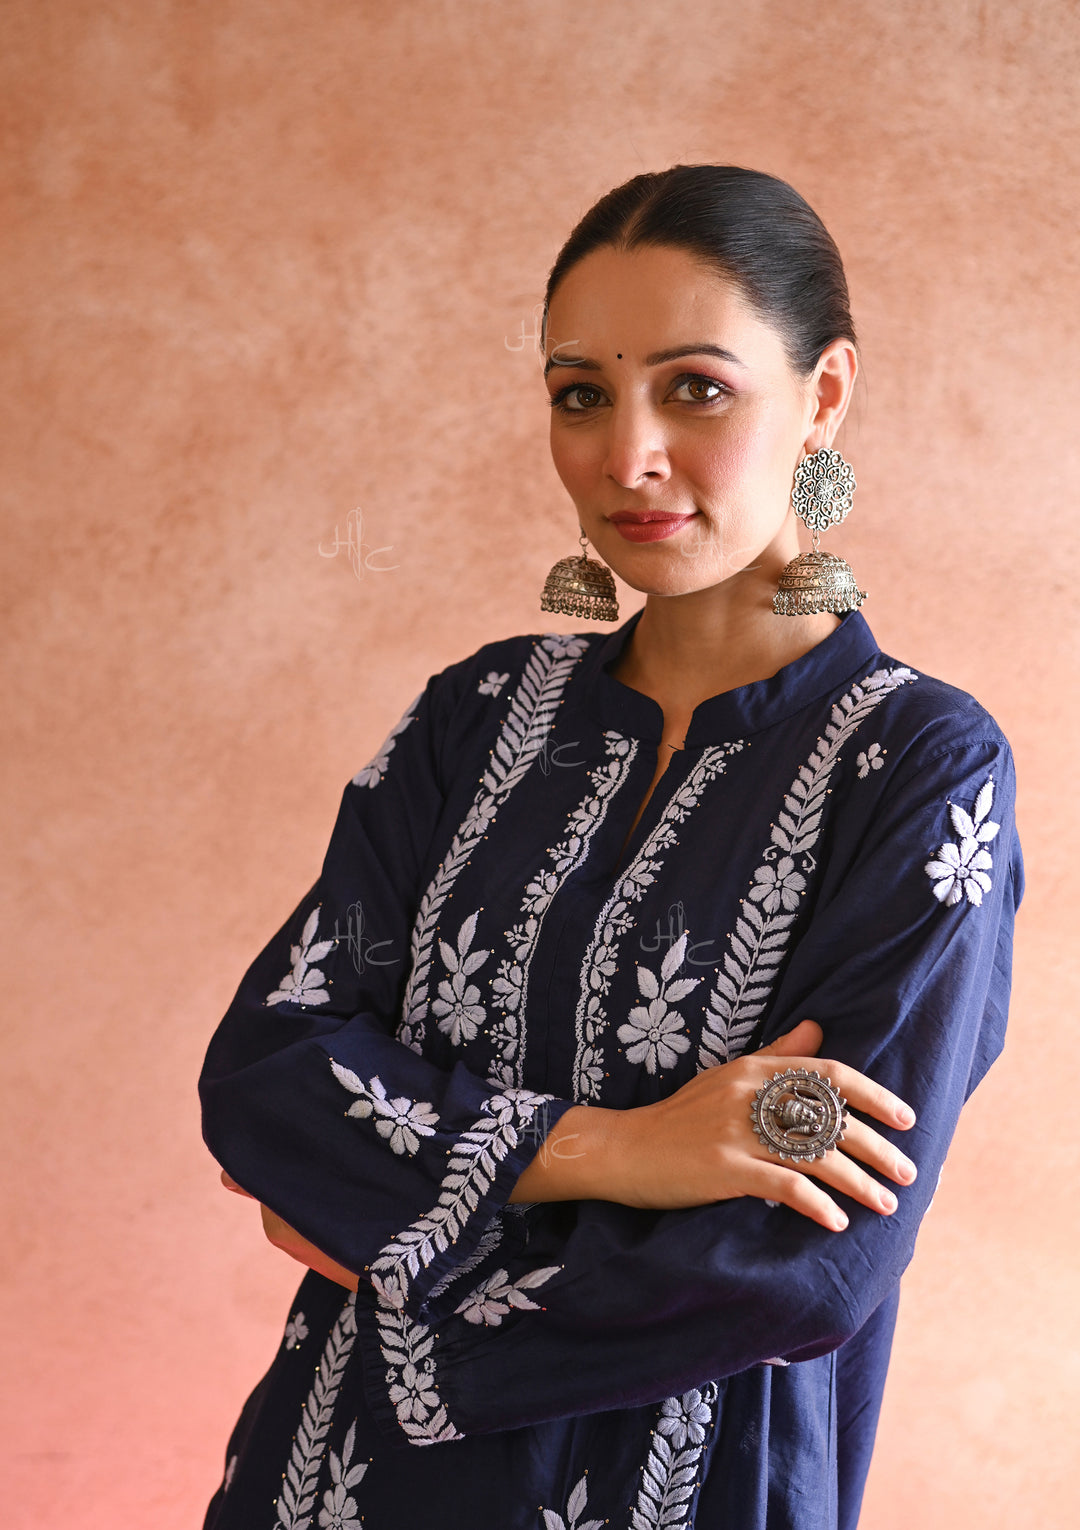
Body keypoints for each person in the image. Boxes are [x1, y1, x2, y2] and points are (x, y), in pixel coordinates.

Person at [199, 165, 1023, 1530]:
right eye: (580, 393)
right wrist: (621, 1152)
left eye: (696, 388)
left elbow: (800, 1263)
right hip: (328, 1476)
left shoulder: (920, 767)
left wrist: (390, 1232)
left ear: (823, 395)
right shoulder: (476, 715)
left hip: (687, 1485)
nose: (626, 454)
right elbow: (269, 1073)